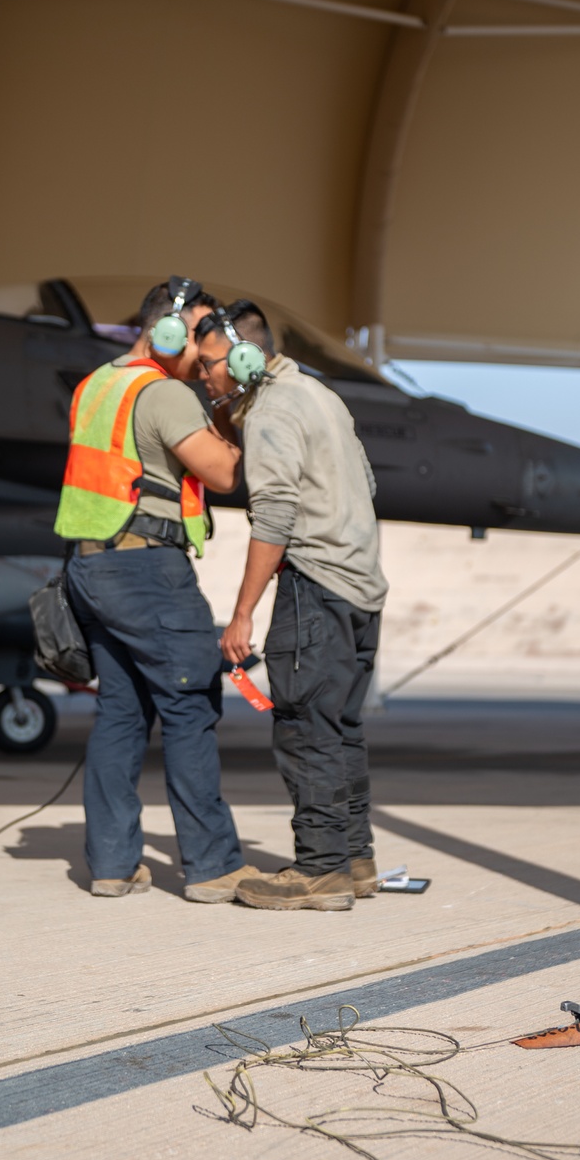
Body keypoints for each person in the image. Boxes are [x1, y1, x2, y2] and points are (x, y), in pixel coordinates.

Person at [54, 278, 256, 902]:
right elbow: (223, 472)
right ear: (167, 330)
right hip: (147, 572)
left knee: (121, 712)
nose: (206, 350)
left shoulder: (98, 384)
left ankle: (112, 864)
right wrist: (230, 406)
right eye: (199, 334)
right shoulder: (163, 392)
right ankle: (213, 866)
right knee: (190, 707)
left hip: (91, 569)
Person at [196, 301, 387, 911]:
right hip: (360, 590)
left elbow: (274, 513)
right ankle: (355, 859)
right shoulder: (320, 396)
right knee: (342, 729)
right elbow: (366, 486)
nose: (204, 377)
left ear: (246, 358)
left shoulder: (274, 411)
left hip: (315, 588)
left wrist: (244, 611)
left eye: (209, 365)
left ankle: (320, 870)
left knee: (306, 729)